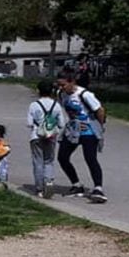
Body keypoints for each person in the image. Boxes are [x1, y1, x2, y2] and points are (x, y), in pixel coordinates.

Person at [57, 67, 107, 202]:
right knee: (62, 157)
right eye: (59, 85)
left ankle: (98, 188)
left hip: (89, 131)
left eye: (63, 84)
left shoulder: (85, 94)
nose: (61, 87)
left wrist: (100, 126)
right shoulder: (61, 94)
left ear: (72, 82)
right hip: (73, 130)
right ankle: (76, 184)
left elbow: (100, 110)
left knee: (90, 158)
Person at [27, 80, 66, 198]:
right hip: (51, 136)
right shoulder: (56, 105)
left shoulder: (34, 105)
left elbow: (29, 123)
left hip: (36, 136)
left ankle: (39, 188)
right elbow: (61, 123)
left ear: (38, 91)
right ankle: (48, 181)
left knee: (37, 161)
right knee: (48, 161)